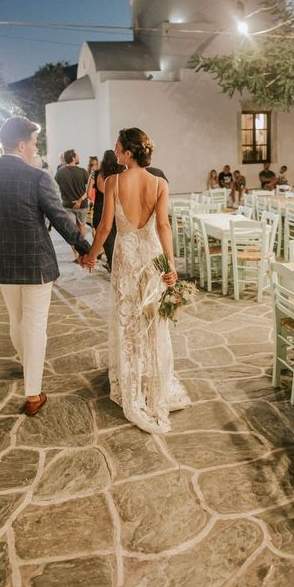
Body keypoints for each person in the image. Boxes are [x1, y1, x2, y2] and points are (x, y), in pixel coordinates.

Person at [0, 116, 91, 416]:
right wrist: (86, 248)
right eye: (34, 143)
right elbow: (61, 219)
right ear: (21, 144)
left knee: (17, 321)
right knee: (35, 326)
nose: (35, 148)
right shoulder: (37, 178)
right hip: (36, 264)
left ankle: (29, 368)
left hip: (2, 266)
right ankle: (33, 394)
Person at [85, 127, 191, 434]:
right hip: (153, 256)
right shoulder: (159, 182)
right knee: (153, 321)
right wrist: (170, 263)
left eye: (118, 148)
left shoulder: (113, 181)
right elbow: (163, 225)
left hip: (128, 257)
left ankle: (134, 386)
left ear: (129, 152)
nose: (115, 152)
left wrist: (92, 256)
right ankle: (155, 383)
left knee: (129, 321)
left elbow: (105, 228)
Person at [87, 149, 124, 270]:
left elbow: (88, 193)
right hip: (116, 208)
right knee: (118, 239)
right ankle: (116, 265)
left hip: (99, 209)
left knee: (108, 242)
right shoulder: (120, 172)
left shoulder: (95, 173)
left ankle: (112, 264)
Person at [54, 149, 90, 257]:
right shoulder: (83, 171)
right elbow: (88, 190)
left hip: (67, 205)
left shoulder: (59, 173)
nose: (78, 157)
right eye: (77, 155)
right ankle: (83, 251)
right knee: (81, 227)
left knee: (72, 231)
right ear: (73, 158)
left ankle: (76, 254)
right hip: (82, 205)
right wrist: (80, 200)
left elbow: (56, 187)